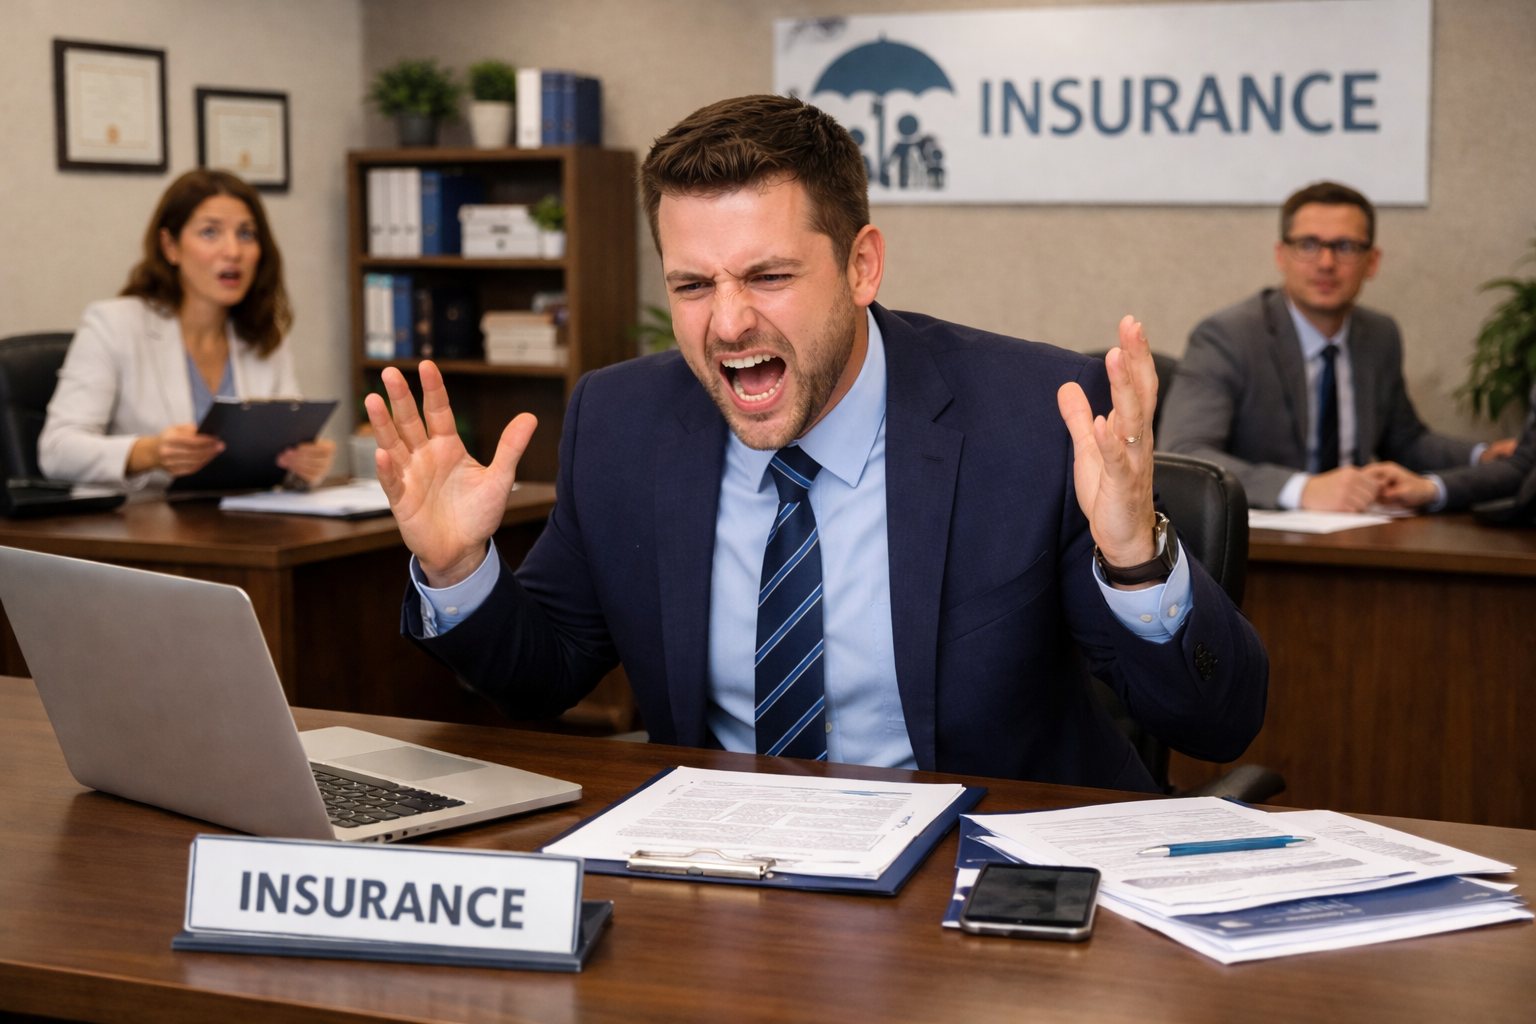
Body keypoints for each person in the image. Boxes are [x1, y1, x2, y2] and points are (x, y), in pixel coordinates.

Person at [366, 95, 1267, 791]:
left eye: (768, 276)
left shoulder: (1034, 412)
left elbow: (1217, 726)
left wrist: (1136, 554)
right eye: (691, 284)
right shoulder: (624, 421)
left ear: (862, 265)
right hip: (727, 873)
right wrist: (458, 571)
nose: (726, 322)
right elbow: (541, 678)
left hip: (981, 882)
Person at [1158, 181, 1513, 511]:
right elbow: (1183, 453)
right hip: (1262, 547)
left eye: (1345, 247)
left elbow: (1405, 441)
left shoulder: (1379, 335)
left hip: (1354, 532)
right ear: (1282, 255)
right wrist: (1302, 489)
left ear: (1371, 261)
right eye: (1308, 245)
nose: (1326, 263)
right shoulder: (1227, 337)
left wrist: (1480, 457)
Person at [39, 169, 335, 489]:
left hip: (246, 527)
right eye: (210, 232)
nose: (233, 251)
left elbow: (284, 452)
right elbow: (56, 450)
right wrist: (147, 452)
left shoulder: (264, 334)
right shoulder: (113, 325)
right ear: (170, 246)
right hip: (138, 529)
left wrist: (305, 463)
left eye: (246, 234)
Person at [1369, 390, 1536, 511]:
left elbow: (1526, 464)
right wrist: (1429, 488)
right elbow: (1524, 463)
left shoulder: (1379, 342)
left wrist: (1429, 488)